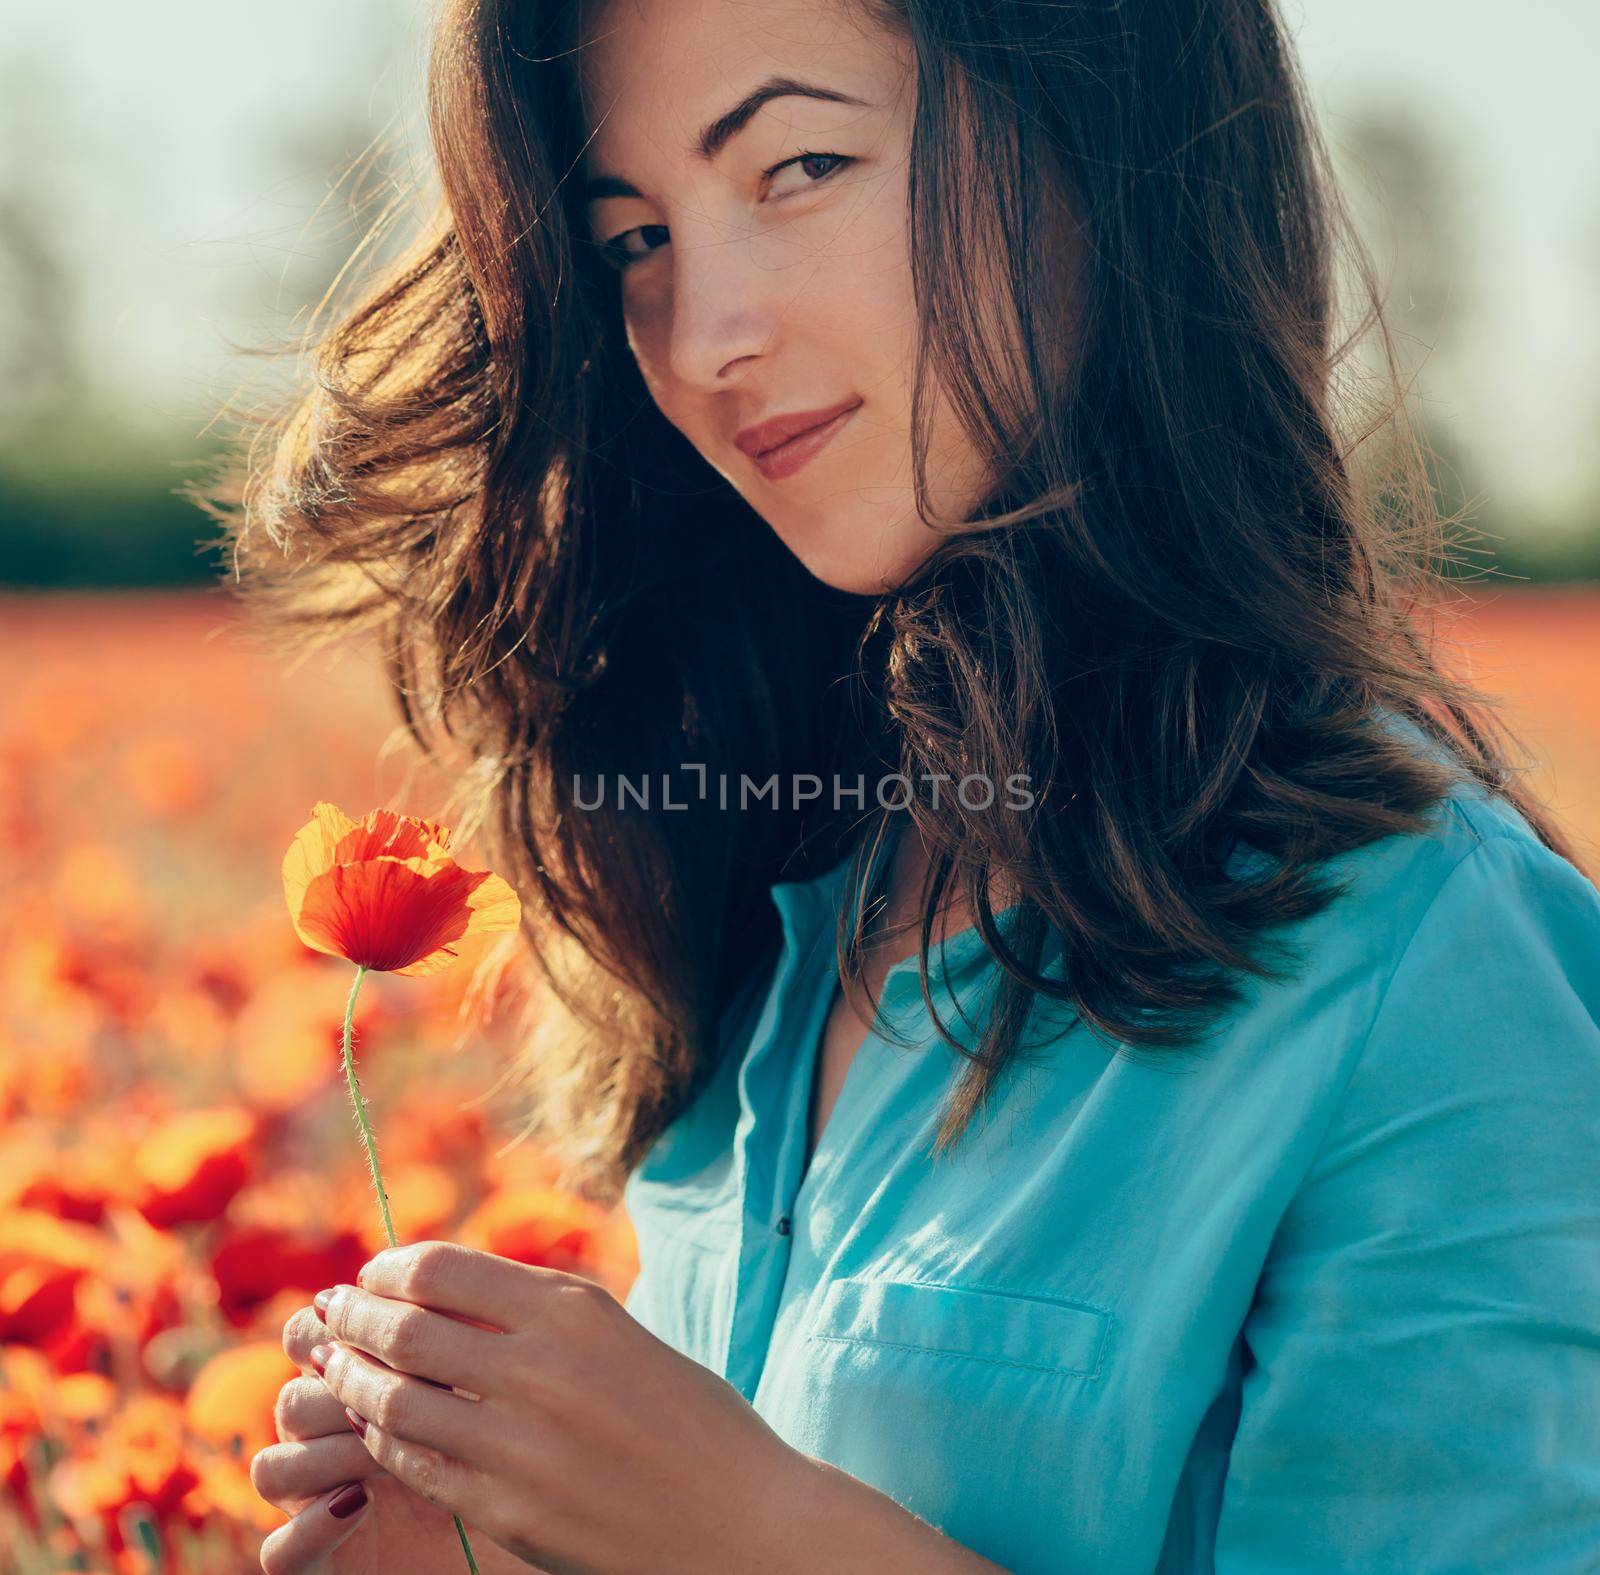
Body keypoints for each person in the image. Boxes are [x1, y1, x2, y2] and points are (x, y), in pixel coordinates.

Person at [201, 0, 1600, 1568]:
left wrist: (747, 1537)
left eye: (799, 165)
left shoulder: (1430, 958)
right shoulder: (788, 890)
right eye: (632, 241)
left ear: (1103, 143)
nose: (703, 335)